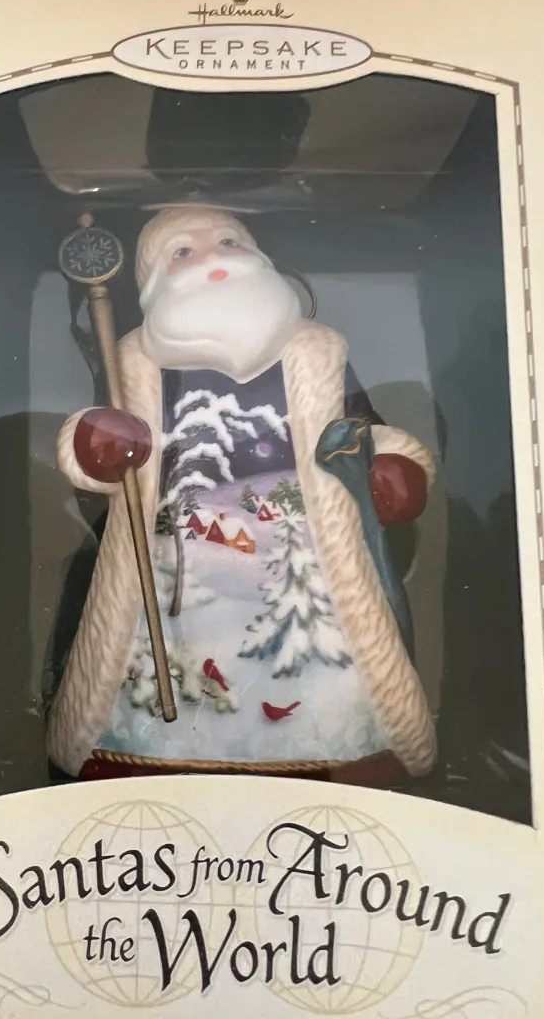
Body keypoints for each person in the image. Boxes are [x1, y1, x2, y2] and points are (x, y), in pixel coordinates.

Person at [48, 206, 437, 783]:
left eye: (229, 241)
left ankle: (331, 758)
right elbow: (100, 459)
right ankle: (150, 757)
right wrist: (98, 444)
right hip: (169, 574)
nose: (213, 259)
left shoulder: (317, 352)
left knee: (330, 663)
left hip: (309, 559)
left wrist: (394, 468)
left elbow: (360, 430)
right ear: (152, 283)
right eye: (183, 251)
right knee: (157, 665)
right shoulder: (132, 361)